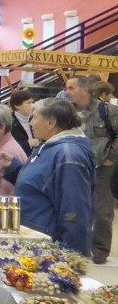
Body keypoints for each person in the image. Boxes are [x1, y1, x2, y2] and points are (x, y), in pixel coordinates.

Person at [0, 98, 94, 255]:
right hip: (35, 241)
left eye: (34, 117)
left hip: (48, 247)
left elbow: (74, 210)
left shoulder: (68, 156)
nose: (31, 123)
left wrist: (72, 257)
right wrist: (14, 167)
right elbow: (41, 183)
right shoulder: (49, 147)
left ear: (51, 122)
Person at [64, 75, 118, 263]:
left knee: (102, 211)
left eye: (71, 88)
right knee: (76, 207)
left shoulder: (108, 111)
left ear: (85, 90)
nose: (67, 92)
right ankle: (78, 245)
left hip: (103, 167)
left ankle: (100, 249)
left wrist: (111, 157)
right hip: (77, 167)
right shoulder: (68, 112)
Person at [8, 89, 38, 156]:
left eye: (32, 102)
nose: (32, 105)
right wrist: (28, 144)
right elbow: (8, 147)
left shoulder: (36, 118)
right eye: (28, 103)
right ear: (16, 105)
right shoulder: (9, 123)